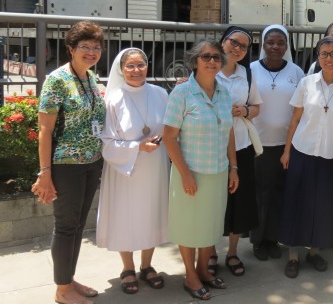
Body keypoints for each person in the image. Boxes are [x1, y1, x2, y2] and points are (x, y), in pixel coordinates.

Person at [32, 21, 106, 304]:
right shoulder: (56, 80)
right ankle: (62, 291)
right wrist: (45, 173)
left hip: (91, 162)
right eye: (85, 47)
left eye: (96, 47)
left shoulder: (91, 78)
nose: (91, 52)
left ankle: (69, 279)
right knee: (65, 226)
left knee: (77, 226)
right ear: (71, 48)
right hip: (66, 166)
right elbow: (45, 130)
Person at [163, 39, 239, 301]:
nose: (211, 61)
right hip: (190, 173)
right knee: (189, 226)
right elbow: (169, 137)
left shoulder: (224, 93)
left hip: (218, 172)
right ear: (195, 61)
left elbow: (228, 132)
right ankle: (190, 276)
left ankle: (203, 270)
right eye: (205, 57)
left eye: (216, 57)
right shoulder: (181, 94)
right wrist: (184, 173)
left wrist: (234, 167)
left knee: (210, 225)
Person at [279, 36, 333, 278]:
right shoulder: (306, 83)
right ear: (317, 57)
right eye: (323, 54)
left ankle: (314, 252)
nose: (328, 58)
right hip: (302, 151)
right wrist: (287, 150)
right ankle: (293, 255)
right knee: (296, 203)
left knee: (322, 207)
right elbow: (295, 118)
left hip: (330, 156)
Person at [96, 48, 169, 294]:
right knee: (126, 217)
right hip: (125, 170)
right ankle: (128, 268)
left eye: (141, 65)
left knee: (152, 213)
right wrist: (137, 147)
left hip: (155, 167)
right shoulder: (113, 99)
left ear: (148, 66)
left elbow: (171, 129)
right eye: (130, 66)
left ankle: (147, 266)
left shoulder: (160, 93)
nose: (136, 70)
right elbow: (106, 140)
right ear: (121, 69)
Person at [210, 26, 263, 277]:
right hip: (210, 146)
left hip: (241, 145)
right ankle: (209, 253)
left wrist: (244, 111)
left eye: (244, 46)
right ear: (223, 41)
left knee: (238, 203)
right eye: (234, 42)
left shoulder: (247, 74)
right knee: (213, 202)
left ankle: (232, 253)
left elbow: (257, 107)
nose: (238, 49)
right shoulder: (208, 69)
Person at [249, 25, 305, 261]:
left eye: (280, 42)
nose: (275, 47)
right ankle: (258, 240)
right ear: (263, 44)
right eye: (270, 42)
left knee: (279, 193)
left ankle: (273, 239)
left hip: (285, 144)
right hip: (256, 143)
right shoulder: (250, 69)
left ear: (286, 46)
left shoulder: (296, 72)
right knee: (260, 193)